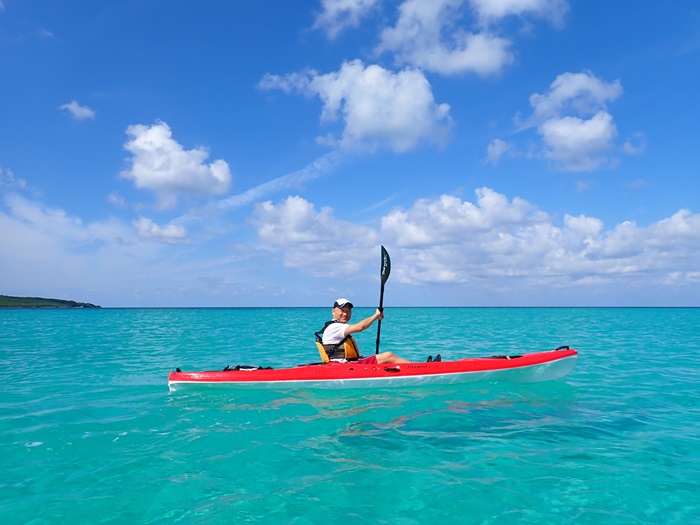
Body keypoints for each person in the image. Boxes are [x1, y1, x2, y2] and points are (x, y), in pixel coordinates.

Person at [315, 298, 411, 364]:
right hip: (345, 365)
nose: (345, 314)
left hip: (348, 362)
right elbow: (360, 327)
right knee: (388, 355)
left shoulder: (337, 327)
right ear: (333, 311)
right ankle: (422, 369)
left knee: (382, 359)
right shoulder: (334, 327)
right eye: (342, 310)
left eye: (348, 311)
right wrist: (375, 316)